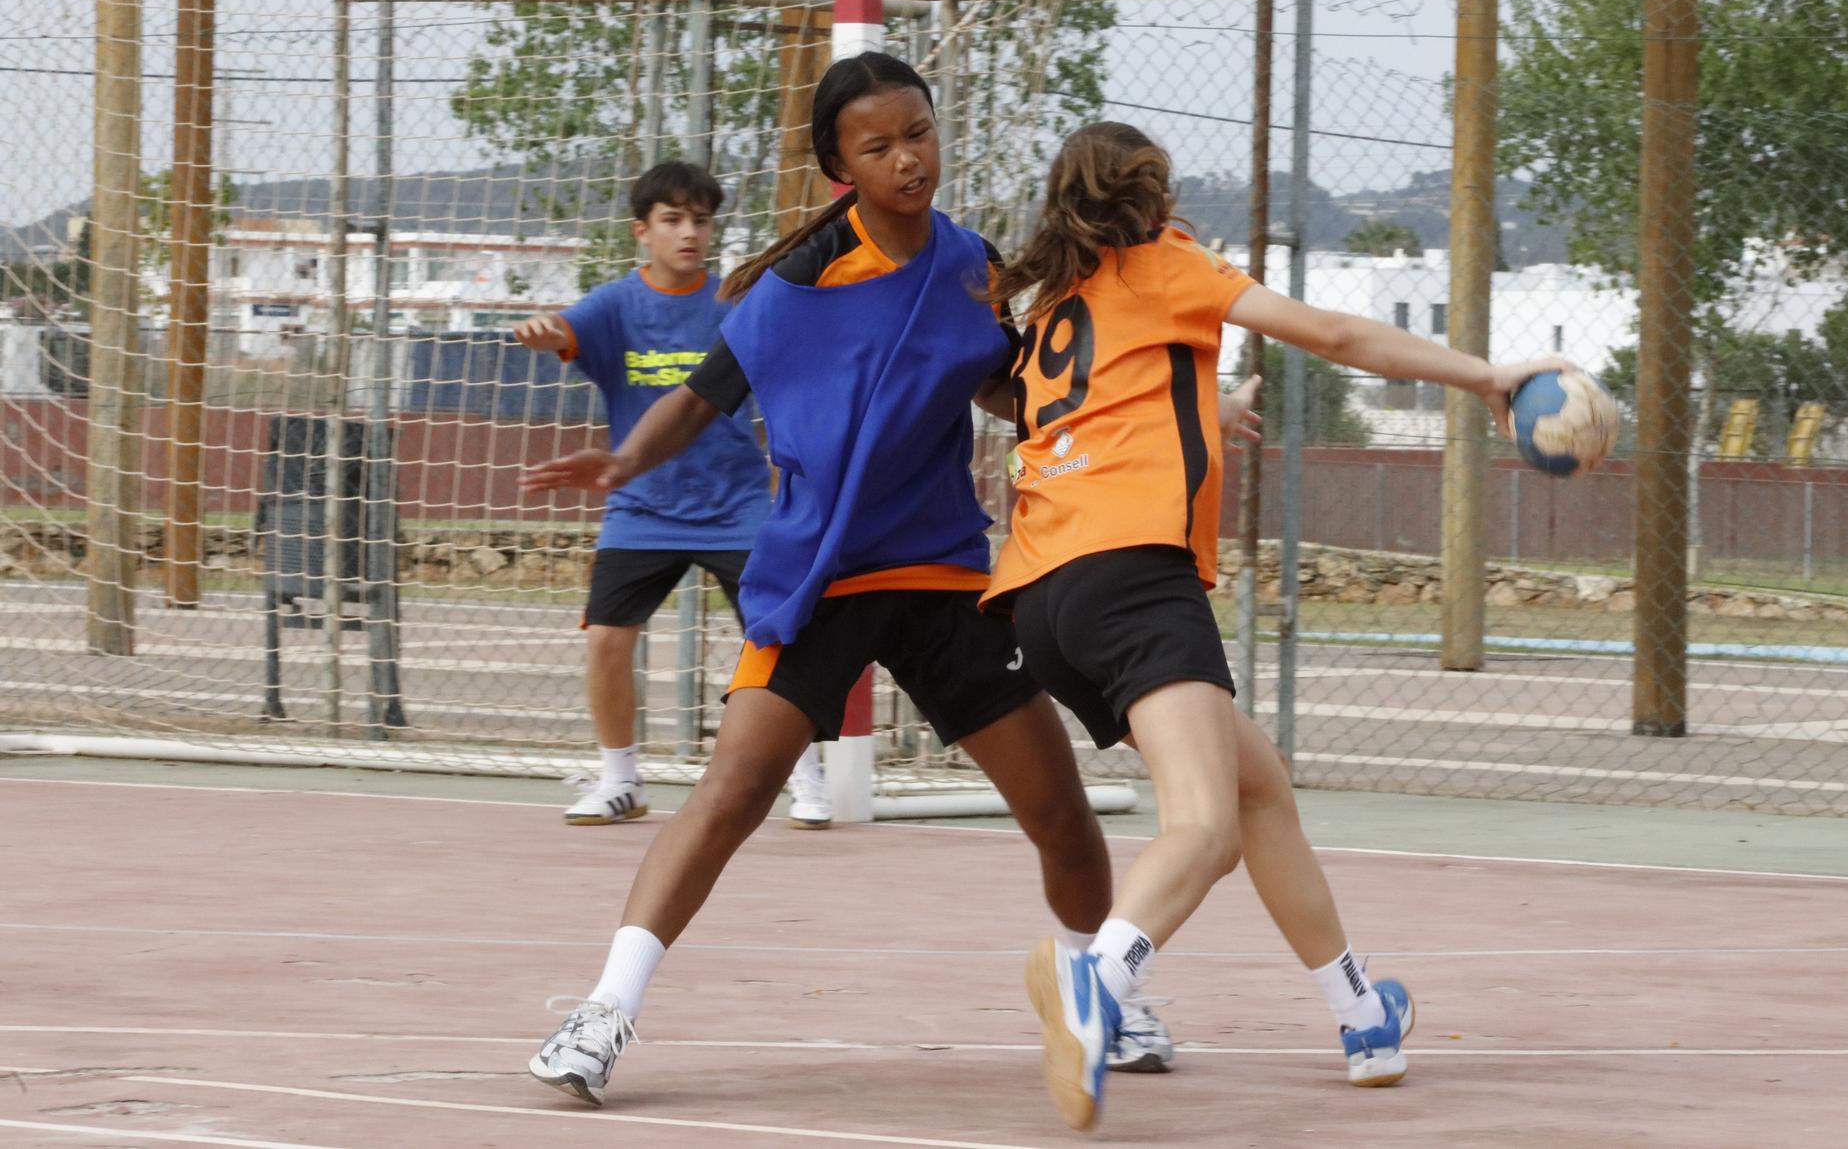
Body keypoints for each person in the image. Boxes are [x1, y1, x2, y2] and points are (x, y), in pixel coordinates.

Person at [517, 56, 1174, 1107]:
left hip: (943, 576)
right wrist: (625, 463)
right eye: (877, 145)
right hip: (818, 576)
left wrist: (1125, 407)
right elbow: (705, 393)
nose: (907, 156)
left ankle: (1105, 991)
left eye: (917, 131)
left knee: (1059, 812)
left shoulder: (969, 265)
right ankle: (602, 1011)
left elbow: (1007, 382)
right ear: (839, 165)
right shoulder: (804, 278)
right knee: (732, 793)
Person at [982, 122, 1568, 1131]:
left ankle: (1359, 1015)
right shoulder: (1168, 265)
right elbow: (1338, 335)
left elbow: (1101, 415)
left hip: (1042, 600)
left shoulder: (1047, 305)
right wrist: (1484, 377)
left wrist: (1206, 406)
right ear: (1152, 198)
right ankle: (1099, 987)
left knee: (1256, 788)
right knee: (1201, 825)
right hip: (1131, 577)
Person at [514, 161, 832, 830]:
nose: (689, 233)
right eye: (673, 220)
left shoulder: (734, 305)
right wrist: (547, 334)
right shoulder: (614, 306)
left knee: (776, 637)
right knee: (606, 639)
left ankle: (805, 777)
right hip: (641, 505)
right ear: (643, 230)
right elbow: (567, 331)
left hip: (735, 502)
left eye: (701, 221)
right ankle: (621, 779)